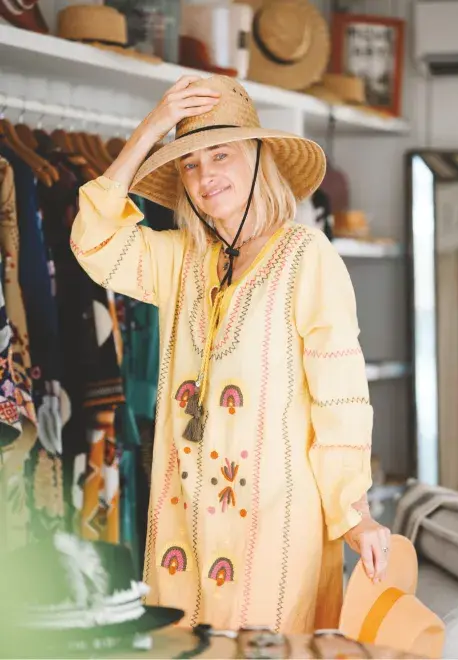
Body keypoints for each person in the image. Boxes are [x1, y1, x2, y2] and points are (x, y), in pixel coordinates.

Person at [70, 74, 390, 634]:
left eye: (221, 155)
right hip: (182, 519)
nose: (205, 175)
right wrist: (151, 129)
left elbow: (341, 397)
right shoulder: (182, 259)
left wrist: (355, 515)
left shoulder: (306, 257)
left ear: (258, 158)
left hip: (275, 525)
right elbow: (93, 240)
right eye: (189, 164)